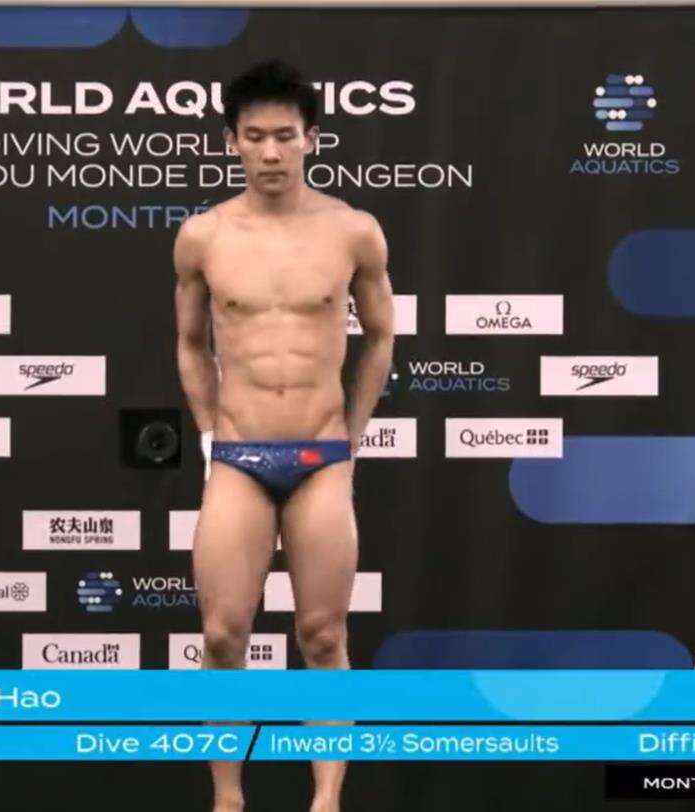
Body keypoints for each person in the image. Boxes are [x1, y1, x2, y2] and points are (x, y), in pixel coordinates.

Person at [172, 59, 395, 812]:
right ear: (231, 141)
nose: (270, 152)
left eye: (285, 136)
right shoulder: (203, 236)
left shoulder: (353, 230)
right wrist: (211, 435)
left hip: (321, 455)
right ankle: (228, 799)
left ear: (311, 140)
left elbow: (383, 337)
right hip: (238, 455)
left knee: (323, 635)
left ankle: (325, 801)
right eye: (255, 136)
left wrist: (352, 437)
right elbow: (189, 343)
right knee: (222, 635)